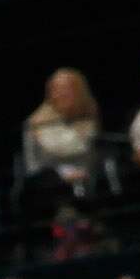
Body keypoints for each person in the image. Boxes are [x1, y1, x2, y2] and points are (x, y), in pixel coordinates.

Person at [23, 69, 103, 197]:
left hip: (87, 180)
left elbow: (89, 152)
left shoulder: (88, 117)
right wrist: (64, 172)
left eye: (68, 88)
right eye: (56, 89)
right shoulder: (38, 121)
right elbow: (39, 161)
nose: (61, 94)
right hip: (48, 183)